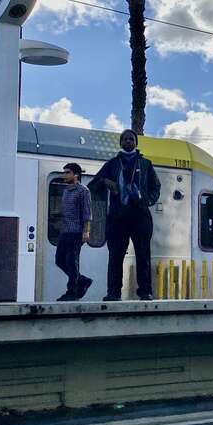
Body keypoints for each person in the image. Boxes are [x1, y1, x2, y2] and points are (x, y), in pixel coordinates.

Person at [89, 129, 161, 301]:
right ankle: (113, 293)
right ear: (120, 143)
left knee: (143, 255)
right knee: (115, 256)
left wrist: (146, 200)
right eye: (125, 139)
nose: (128, 141)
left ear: (136, 143)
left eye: (131, 139)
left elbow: (156, 187)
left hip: (140, 217)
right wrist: (106, 182)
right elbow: (93, 185)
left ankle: (145, 292)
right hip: (117, 218)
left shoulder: (145, 164)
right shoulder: (112, 164)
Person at [55, 163, 93, 301]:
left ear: (76, 175)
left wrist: (86, 231)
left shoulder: (83, 191)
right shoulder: (66, 191)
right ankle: (82, 280)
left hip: (76, 231)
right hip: (65, 231)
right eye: (64, 172)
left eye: (67, 172)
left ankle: (72, 291)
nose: (64, 175)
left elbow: (87, 213)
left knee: (72, 261)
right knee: (59, 260)